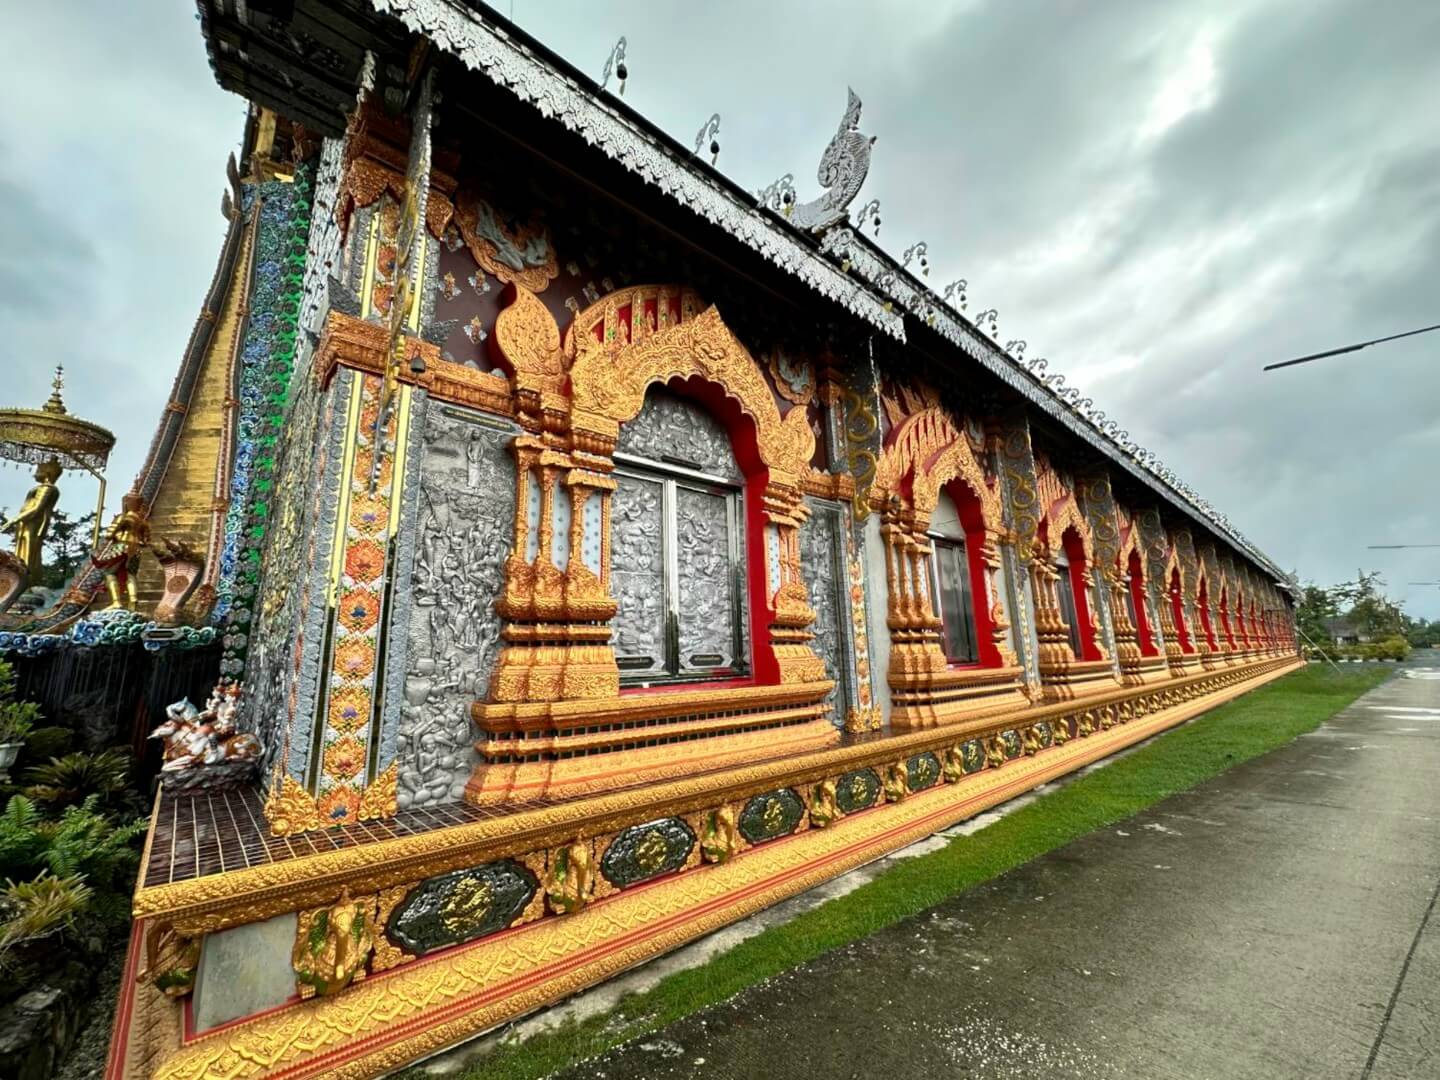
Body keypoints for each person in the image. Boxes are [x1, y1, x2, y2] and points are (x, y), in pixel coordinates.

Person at [0, 459, 62, 582]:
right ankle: (19, 577)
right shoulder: (44, 488)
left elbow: (37, 508)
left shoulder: (47, 488)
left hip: (34, 521)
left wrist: (13, 520)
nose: (35, 474)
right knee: (22, 549)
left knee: (29, 548)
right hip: (27, 522)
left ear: (47, 473)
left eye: (39, 470)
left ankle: (27, 579)